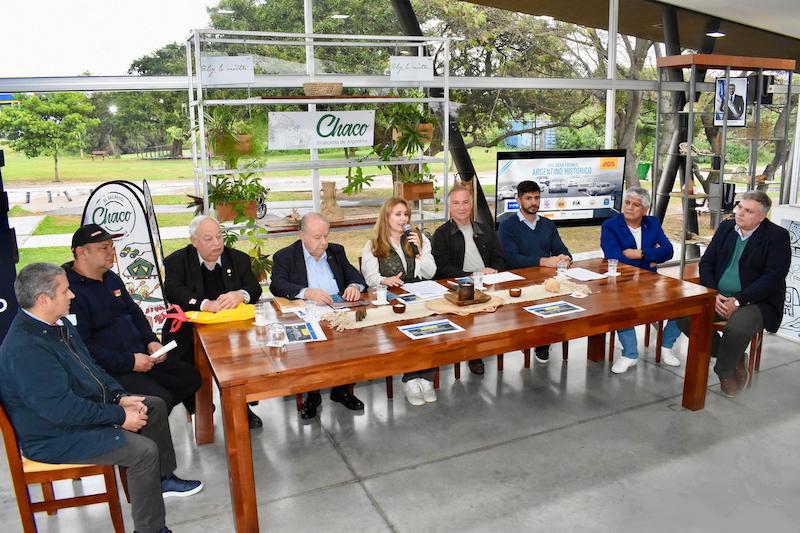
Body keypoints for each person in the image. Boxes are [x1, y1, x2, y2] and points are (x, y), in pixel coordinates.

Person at [0, 263, 203, 533]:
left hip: (73, 417)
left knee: (150, 404)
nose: (72, 295)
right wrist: (118, 416)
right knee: (143, 452)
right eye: (65, 291)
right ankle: (151, 529)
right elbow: (60, 410)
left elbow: (93, 370)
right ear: (43, 300)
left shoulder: (57, 325)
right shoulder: (26, 348)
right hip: (53, 437)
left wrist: (119, 397)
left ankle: (161, 480)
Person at [64, 224, 200, 413]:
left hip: (142, 355)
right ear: (81, 252)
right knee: (160, 399)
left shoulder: (111, 277)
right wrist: (130, 362)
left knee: (190, 378)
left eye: (112, 246)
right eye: (104, 248)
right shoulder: (69, 292)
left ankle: (147, 420)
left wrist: (151, 341)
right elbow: (84, 349)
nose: (112, 252)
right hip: (110, 369)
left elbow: (134, 312)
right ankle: (139, 423)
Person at [677, 190, 790, 397]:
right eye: (740, 207)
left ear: (762, 216)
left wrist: (738, 300)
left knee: (737, 328)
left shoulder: (777, 237)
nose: (740, 213)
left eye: (748, 211)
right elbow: (707, 262)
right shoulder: (726, 228)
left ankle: (724, 371)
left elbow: (773, 277)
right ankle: (735, 356)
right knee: (685, 317)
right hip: (718, 296)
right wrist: (714, 293)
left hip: (757, 301)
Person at [161, 215, 264, 428]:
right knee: (179, 358)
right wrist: (203, 303)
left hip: (232, 327)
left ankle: (242, 404)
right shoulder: (177, 261)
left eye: (219, 236)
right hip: (191, 326)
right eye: (208, 239)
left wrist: (240, 295)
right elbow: (173, 291)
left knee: (250, 352)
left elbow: (254, 289)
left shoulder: (238, 259)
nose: (217, 243)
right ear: (194, 240)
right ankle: (197, 404)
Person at [270, 213, 366, 419]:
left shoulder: (336, 251)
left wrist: (354, 286)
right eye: (317, 237)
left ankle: (341, 391)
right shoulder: (285, 256)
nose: (323, 243)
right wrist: (307, 292)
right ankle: (313, 395)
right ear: (302, 235)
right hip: (308, 316)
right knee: (311, 352)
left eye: (326, 236)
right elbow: (277, 284)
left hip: (339, 314)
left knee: (353, 344)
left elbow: (355, 275)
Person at [361, 197, 438, 406]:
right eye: (398, 214)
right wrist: (385, 280)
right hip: (392, 297)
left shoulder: (418, 238)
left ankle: (427, 378)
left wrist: (420, 251)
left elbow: (431, 272)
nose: (403, 218)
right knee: (407, 333)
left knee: (433, 329)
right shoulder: (374, 244)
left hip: (420, 292)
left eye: (406, 214)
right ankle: (411, 379)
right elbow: (370, 277)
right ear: (386, 217)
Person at [600, 188, 682, 373]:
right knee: (621, 307)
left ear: (645, 209)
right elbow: (614, 256)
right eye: (627, 203)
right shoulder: (610, 225)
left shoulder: (652, 223)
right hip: (621, 282)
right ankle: (630, 354)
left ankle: (665, 346)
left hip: (650, 281)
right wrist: (650, 258)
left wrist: (641, 253)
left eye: (635, 205)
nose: (629, 207)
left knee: (683, 304)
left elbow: (668, 251)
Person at [432, 184, 506, 375]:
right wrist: (471, 276)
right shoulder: (441, 234)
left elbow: (500, 257)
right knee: (470, 311)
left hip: (489, 281)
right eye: (456, 203)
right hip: (459, 286)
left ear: (471, 205)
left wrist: (493, 270)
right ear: (450, 207)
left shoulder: (485, 229)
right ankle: (474, 354)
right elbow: (442, 268)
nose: (461, 207)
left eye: (465, 202)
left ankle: (497, 343)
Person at [498, 180, 572, 363]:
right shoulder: (507, 225)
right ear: (518, 199)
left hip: (545, 282)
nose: (534, 202)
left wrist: (565, 258)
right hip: (518, 282)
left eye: (537, 198)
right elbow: (512, 259)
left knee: (556, 306)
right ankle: (529, 339)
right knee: (527, 317)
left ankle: (542, 343)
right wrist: (545, 261)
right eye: (528, 198)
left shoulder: (547, 224)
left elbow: (562, 249)